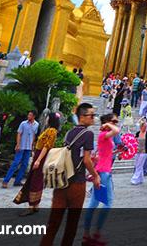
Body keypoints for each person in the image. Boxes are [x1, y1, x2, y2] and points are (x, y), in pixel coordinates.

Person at [41, 102, 100, 246]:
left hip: (61, 181)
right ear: (82, 117)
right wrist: (95, 175)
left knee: (53, 222)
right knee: (72, 223)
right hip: (77, 183)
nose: (93, 118)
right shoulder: (88, 134)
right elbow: (86, 160)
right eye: (91, 115)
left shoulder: (70, 132)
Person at [83, 112, 120, 243]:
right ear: (107, 122)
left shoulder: (106, 136)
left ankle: (87, 233)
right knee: (107, 202)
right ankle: (96, 232)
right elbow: (117, 130)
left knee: (94, 202)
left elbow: (105, 153)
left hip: (103, 171)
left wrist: (116, 151)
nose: (115, 124)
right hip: (103, 173)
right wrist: (109, 125)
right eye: (113, 121)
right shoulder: (104, 134)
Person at [15, 112, 60, 216]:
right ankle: (35, 204)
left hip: (41, 156)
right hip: (40, 155)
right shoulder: (50, 130)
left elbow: (46, 146)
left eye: (48, 118)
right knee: (37, 180)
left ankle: (31, 206)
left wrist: (38, 160)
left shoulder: (51, 131)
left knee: (35, 180)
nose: (46, 119)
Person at [3, 110, 40, 188]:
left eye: (30, 115)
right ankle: (6, 181)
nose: (28, 116)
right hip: (21, 146)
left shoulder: (36, 124)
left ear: (34, 116)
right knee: (16, 163)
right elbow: (19, 134)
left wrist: (32, 146)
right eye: (28, 115)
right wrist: (18, 144)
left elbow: (34, 135)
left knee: (25, 164)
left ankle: (18, 180)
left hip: (28, 147)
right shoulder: (23, 123)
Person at [131, 118, 147, 185]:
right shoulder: (138, 133)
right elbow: (134, 141)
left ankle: (135, 179)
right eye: (144, 127)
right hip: (137, 150)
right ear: (141, 127)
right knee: (137, 163)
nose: (145, 128)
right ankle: (141, 178)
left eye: (146, 127)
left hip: (144, 151)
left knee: (139, 164)